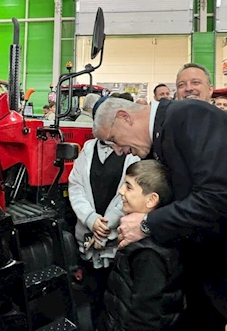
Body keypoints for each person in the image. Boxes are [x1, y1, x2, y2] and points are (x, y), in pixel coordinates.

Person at [93, 97, 227, 330]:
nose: (118, 151)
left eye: (114, 140)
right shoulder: (164, 133)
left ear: (124, 117)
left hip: (226, 268)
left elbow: (217, 196)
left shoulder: (189, 116)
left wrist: (147, 223)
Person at [98, 160, 184, 331]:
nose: (121, 191)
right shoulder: (142, 242)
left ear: (151, 200)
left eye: (128, 187)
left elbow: (146, 317)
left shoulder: (148, 255)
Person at [68, 134, 139, 328]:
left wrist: (106, 227)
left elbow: (130, 196)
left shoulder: (131, 152)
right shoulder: (88, 148)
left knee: (117, 298)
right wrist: (90, 219)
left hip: (118, 243)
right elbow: (76, 186)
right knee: (93, 294)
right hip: (87, 238)